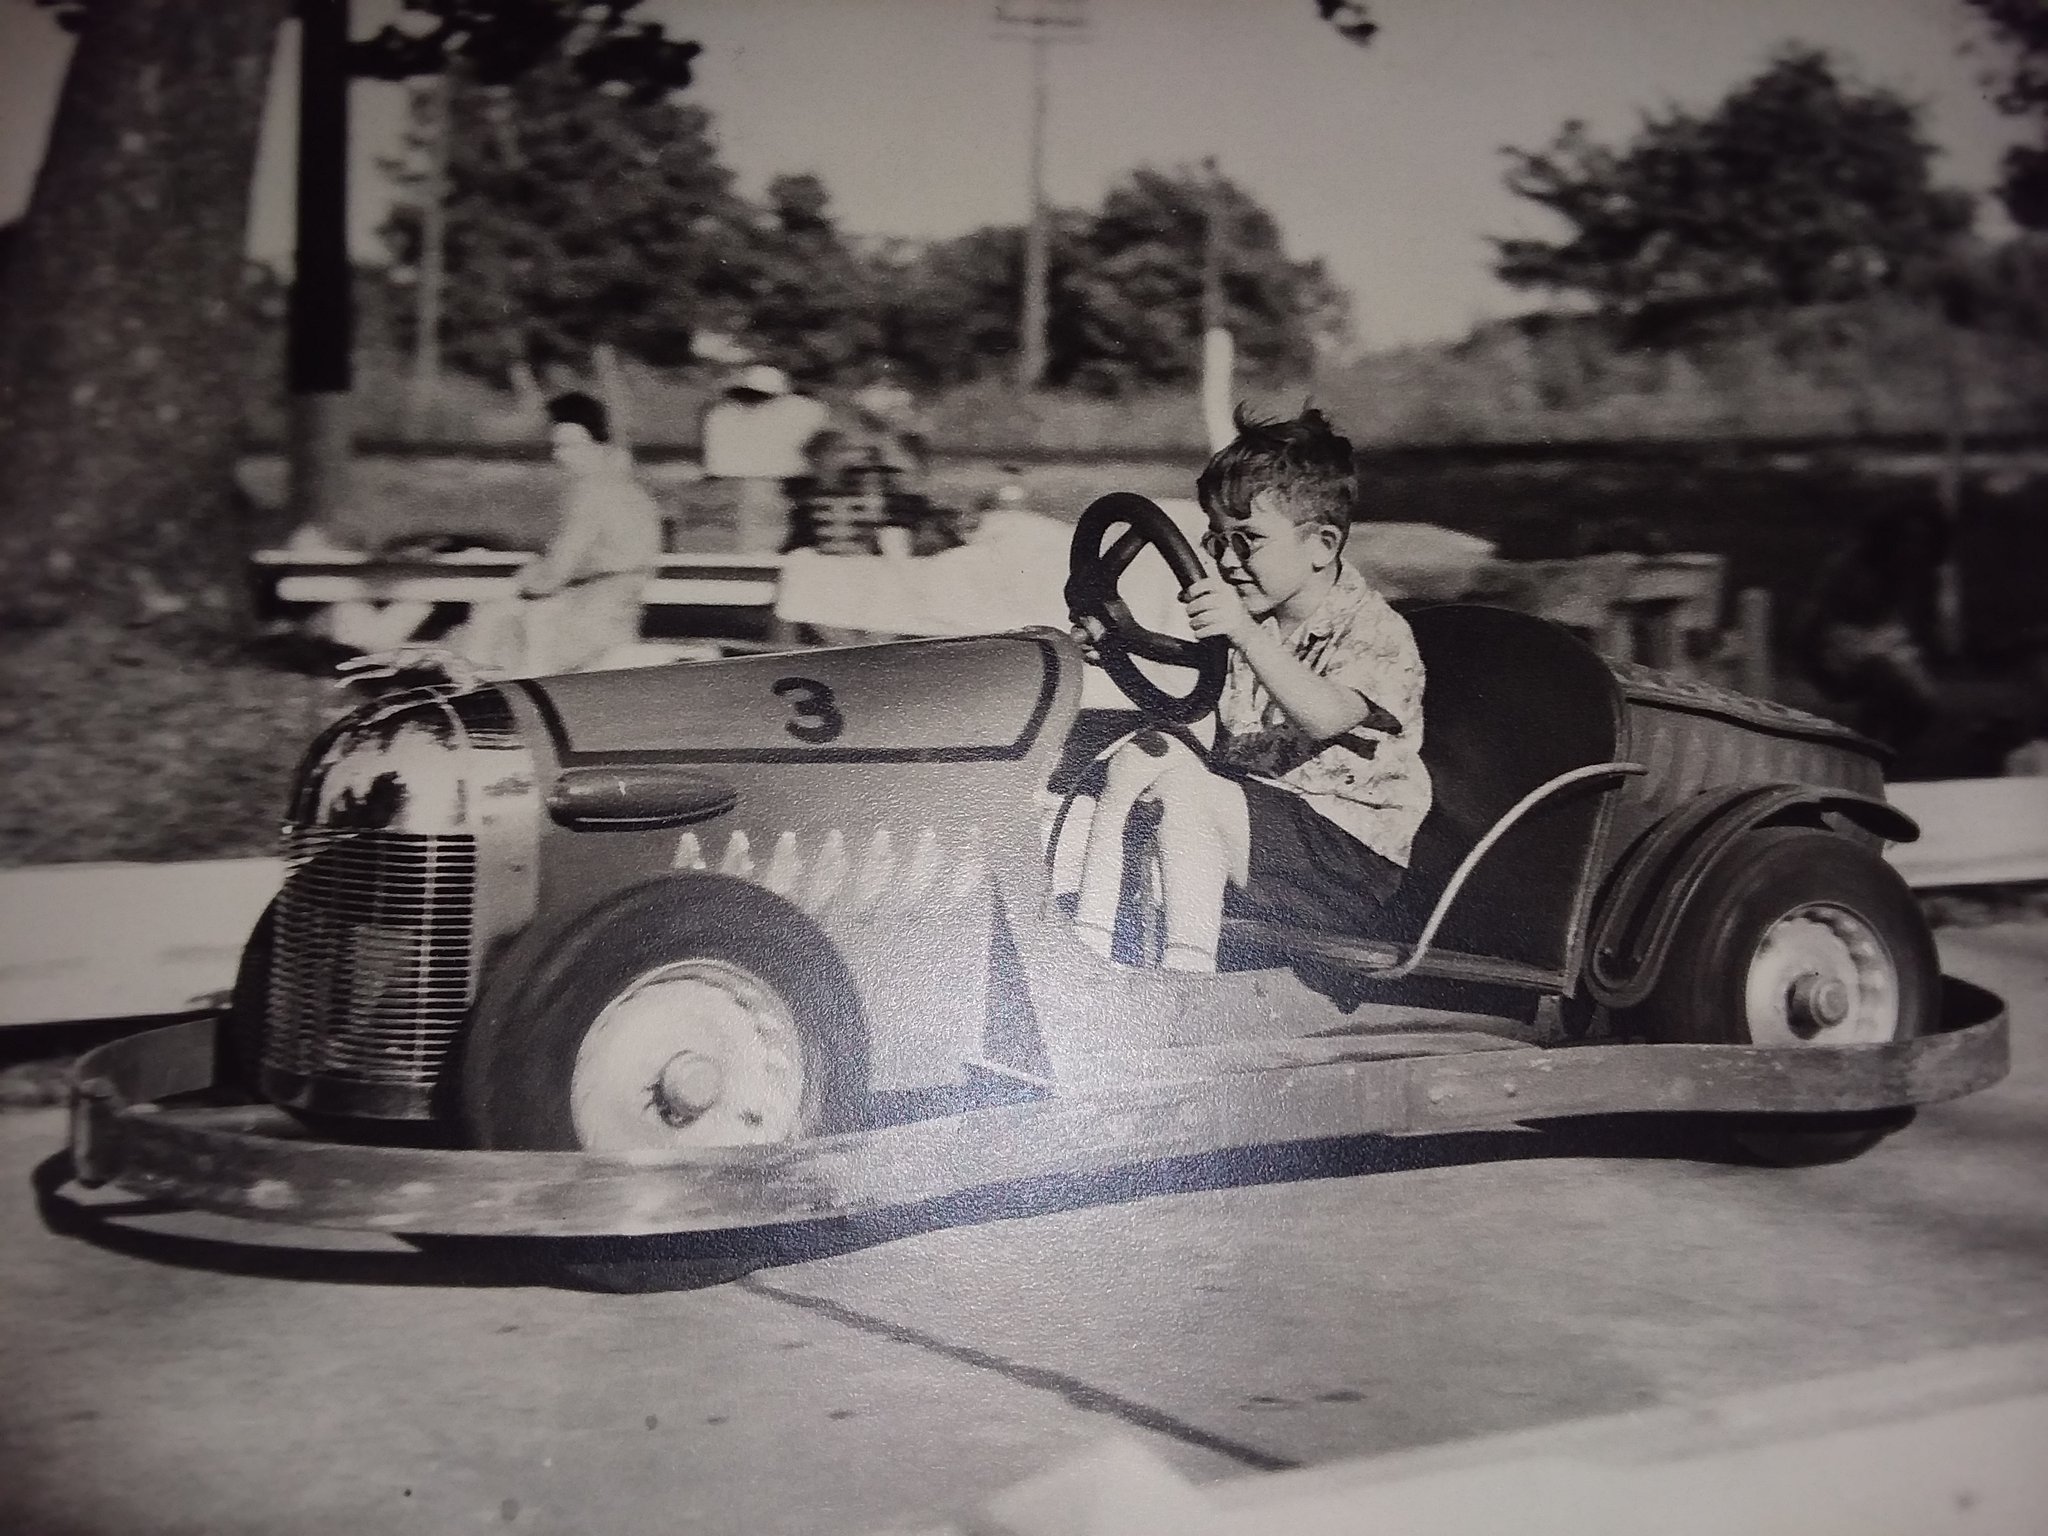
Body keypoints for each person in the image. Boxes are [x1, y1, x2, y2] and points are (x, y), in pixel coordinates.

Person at [1067, 406, 1431, 973]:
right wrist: (1116, 644)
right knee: (1134, 759)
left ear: (1323, 545)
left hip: (1348, 858)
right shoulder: (1258, 626)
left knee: (1187, 794)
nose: (1227, 562)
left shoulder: (1375, 631)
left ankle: (1185, 974)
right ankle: (1086, 947)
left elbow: (1325, 716)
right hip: (1261, 824)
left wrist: (1243, 633)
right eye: (1216, 542)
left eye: (1249, 541)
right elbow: (1198, 704)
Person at [457, 391, 662, 676]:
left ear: (599, 446)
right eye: (556, 448)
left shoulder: (591, 492)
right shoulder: (630, 490)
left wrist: (526, 577)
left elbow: (552, 576)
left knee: (484, 623)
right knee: (496, 623)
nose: (559, 456)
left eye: (569, 447)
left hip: (588, 622)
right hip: (619, 615)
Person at [698, 363, 830, 553]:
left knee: (744, 538)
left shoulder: (718, 413)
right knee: (764, 538)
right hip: (776, 483)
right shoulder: (803, 409)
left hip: (729, 483)